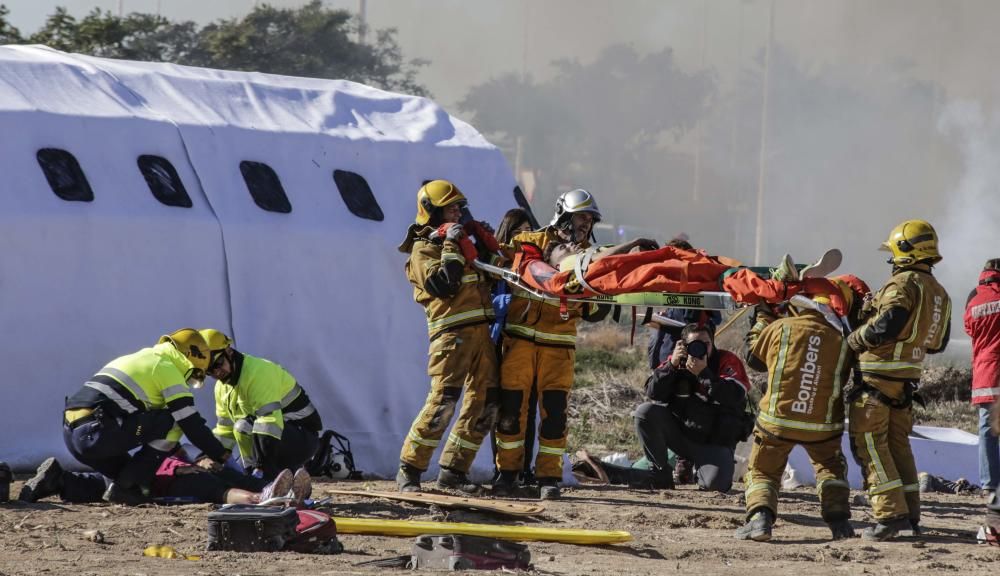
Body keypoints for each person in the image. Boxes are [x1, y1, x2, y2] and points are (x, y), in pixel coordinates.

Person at [19, 329, 231, 504]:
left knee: (127, 486)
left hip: (74, 432)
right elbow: (190, 423)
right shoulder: (167, 367)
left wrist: (179, 457)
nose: (190, 381)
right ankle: (130, 484)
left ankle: (58, 481)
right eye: (195, 375)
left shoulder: (141, 357)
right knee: (173, 420)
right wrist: (220, 454)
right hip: (96, 434)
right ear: (192, 357)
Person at [493, 188, 612, 499]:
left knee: (555, 416)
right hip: (519, 343)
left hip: (558, 349)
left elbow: (595, 312)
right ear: (564, 215)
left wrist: (601, 293)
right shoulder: (530, 243)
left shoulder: (590, 260)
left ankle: (548, 477)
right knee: (511, 413)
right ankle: (507, 474)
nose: (586, 223)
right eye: (581, 216)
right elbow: (514, 265)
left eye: (590, 219)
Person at [735, 275, 870, 542]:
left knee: (763, 470)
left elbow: (754, 359)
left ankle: (760, 520)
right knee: (830, 468)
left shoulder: (781, 328)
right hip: (823, 426)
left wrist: (763, 317)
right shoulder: (843, 340)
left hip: (777, 421)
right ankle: (840, 522)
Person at [846, 219, 952, 541]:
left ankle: (890, 516)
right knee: (898, 448)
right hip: (905, 384)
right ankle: (910, 515)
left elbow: (886, 326)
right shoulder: (940, 294)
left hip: (876, 381)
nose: (891, 261)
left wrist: (853, 339)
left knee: (871, 447)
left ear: (904, 251)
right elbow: (939, 343)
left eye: (893, 253)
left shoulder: (902, 284)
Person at [395, 179, 500, 493]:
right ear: (433, 212)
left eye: (459, 207)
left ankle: (454, 471)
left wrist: (485, 241)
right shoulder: (423, 248)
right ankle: (409, 470)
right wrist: (453, 245)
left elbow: (495, 273)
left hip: (482, 334)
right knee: (444, 402)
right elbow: (444, 284)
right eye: (450, 208)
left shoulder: (464, 242)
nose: (458, 212)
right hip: (450, 337)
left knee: (486, 404)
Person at [632, 322, 751, 492]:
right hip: (681, 435)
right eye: (695, 345)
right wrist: (671, 367)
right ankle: (660, 472)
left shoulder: (726, 360)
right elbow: (653, 393)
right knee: (645, 412)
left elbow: (735, 397)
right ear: (684, 346)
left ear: (713, 343)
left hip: (714, 441)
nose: (701, 348)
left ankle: (700, 469)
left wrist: (704, 374)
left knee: (715, 486)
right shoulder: (677, 361)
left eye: (706, 344)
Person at [199, 329, 322, 483]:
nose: (216, 372)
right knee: (241, 428)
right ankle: (266, 479)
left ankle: (266, 478)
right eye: (209, 370)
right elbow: (225, 432)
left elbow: (269, 424)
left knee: (244, 426)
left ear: (229, 351)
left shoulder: (258, 372)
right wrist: (207, 457)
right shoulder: (221, 388)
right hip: (280, 438)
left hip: (303, 438)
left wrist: (264, 472)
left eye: (218, 364)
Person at [965, 258, 1000, 498]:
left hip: (985, 374)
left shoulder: (974, 297)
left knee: (987, 430)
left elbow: (969, 328)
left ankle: (989, 485)